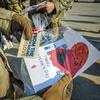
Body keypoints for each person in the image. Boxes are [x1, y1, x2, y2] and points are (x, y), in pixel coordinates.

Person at [0, 0, 74, 100]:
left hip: (49, 26)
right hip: (24, 24)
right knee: (31, 67)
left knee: (52, 68)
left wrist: (55, 5)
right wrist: (12, 18)